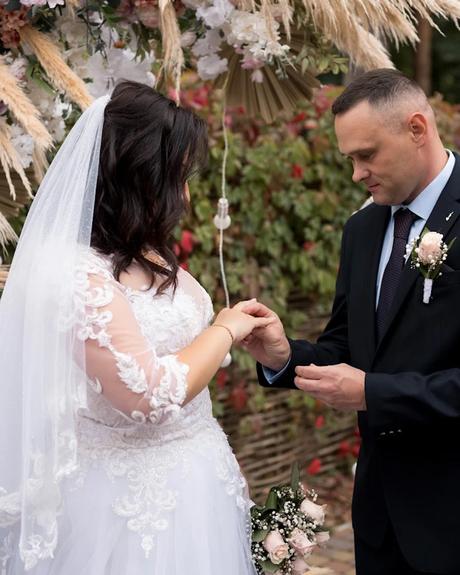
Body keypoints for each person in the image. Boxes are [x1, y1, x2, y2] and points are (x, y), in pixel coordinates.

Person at [0, 81, 272, 574]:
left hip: (197, 483)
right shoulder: (74, 275)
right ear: (140, 178)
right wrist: (224, 332)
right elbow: (147, 395)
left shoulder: (148, 252)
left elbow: (187, 368)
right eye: (177, 177)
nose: (186, 194)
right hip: (123, 508)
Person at [242, 69, 460, 575]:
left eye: (367, 155)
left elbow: (371, 382)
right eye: (350, 160)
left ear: (417, 128)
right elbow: (348, 348)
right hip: (381, 519)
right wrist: (285, 356)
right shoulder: (362, 229)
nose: (357, 174)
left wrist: (374, 394)